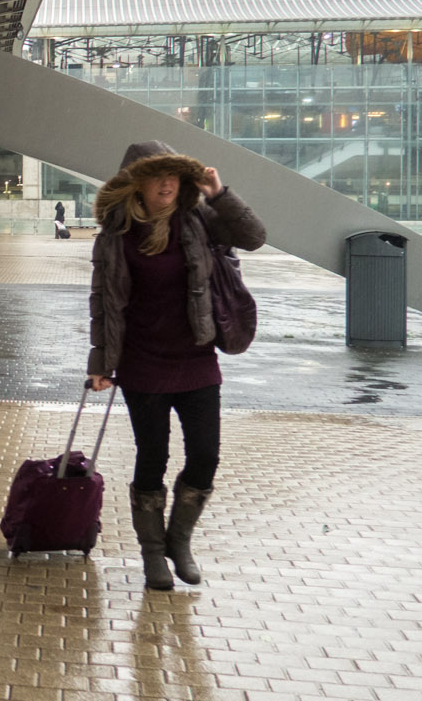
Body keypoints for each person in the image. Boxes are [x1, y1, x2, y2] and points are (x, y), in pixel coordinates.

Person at [86, 140, 266, 592]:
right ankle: (152, 554)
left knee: (205, 456)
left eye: (173, 175)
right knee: (153, 457)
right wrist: (101, 363)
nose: (166, 183)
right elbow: (105, 304)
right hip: (142, 362)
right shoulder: (116, 234)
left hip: (196, 357)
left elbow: (254, 237)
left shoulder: (199, 220)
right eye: (156, 175)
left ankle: (179, 541)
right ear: (136, 184)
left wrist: (219, 194)